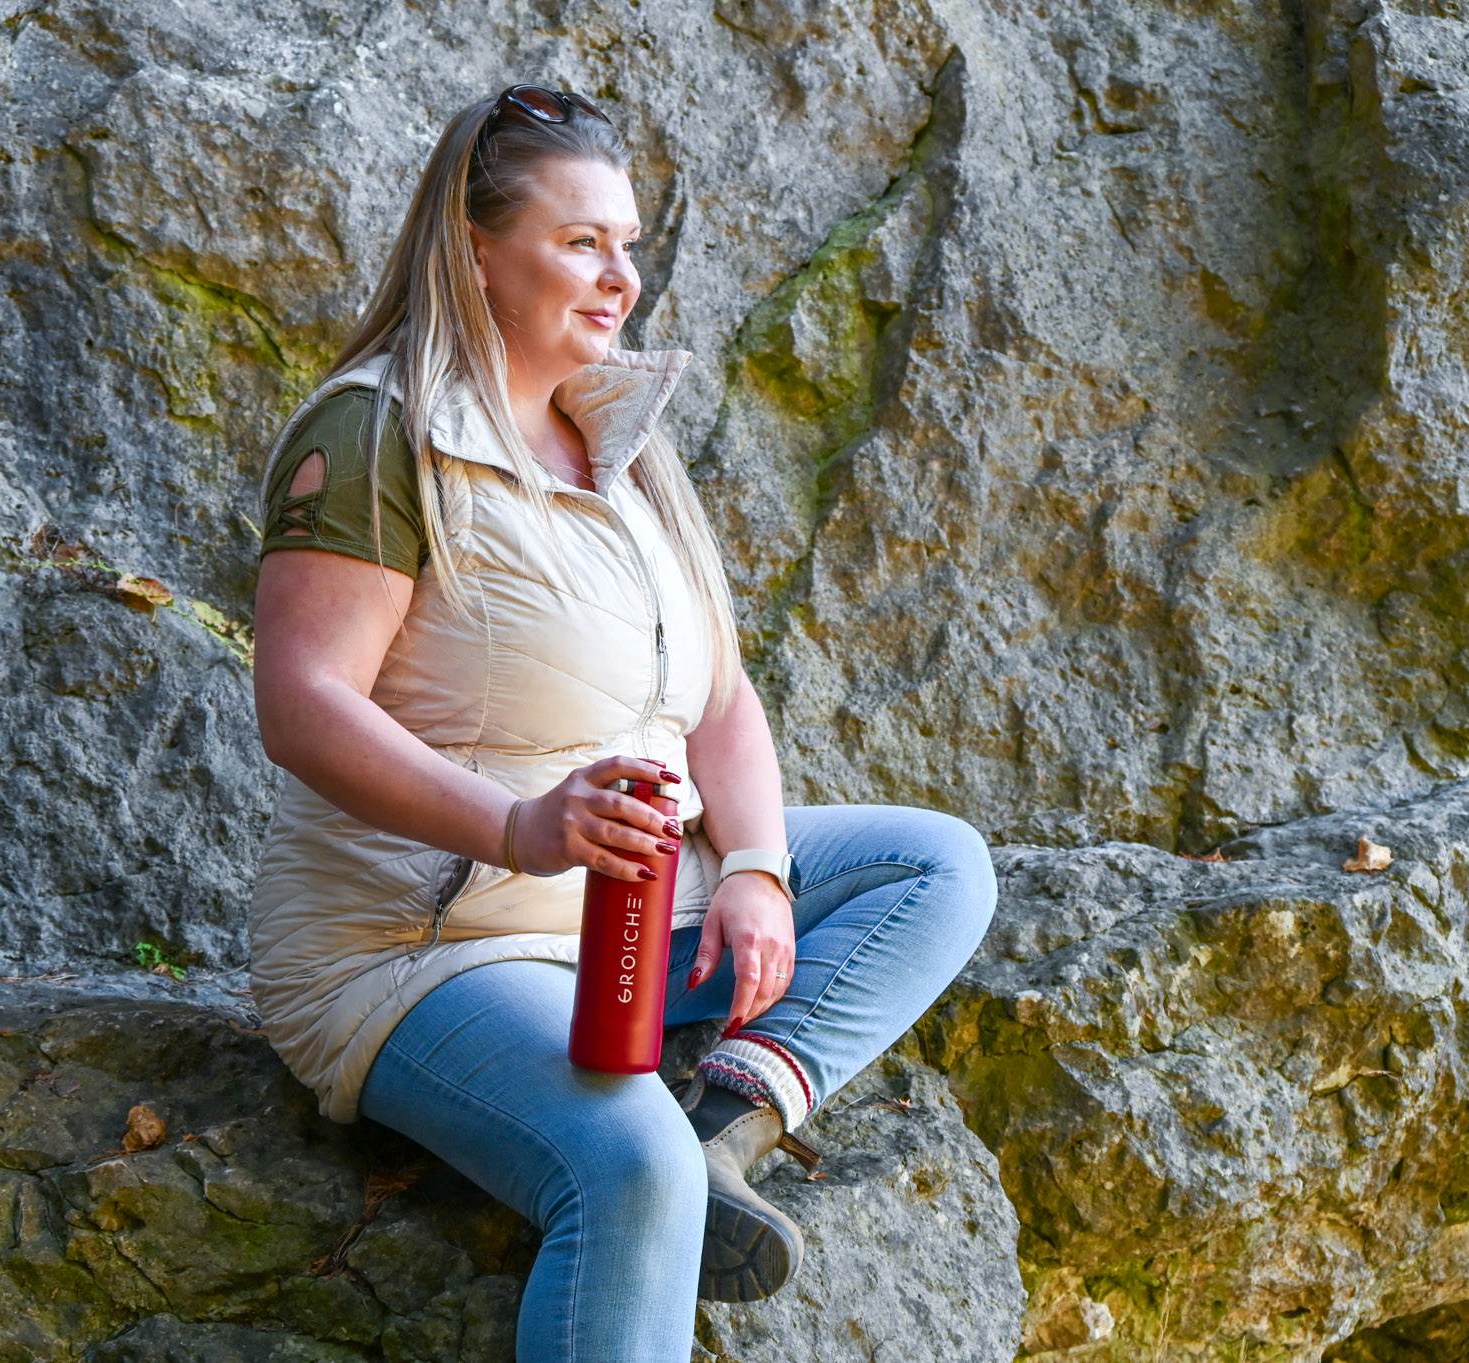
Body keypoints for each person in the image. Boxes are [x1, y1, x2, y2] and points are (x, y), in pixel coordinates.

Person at [247, 82, 998, 1362]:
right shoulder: (380, 430)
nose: (621, 281)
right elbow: (301, 703)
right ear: (475, 251)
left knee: (932, 865)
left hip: (628, 908)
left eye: (630, 246)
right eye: (582, 243)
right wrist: (519, 824)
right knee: (625, 1166)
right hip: (426, 943)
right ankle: (665, 1155)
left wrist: (756, 868)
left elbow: (720, 701)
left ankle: (727, 1121)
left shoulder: (619, 439)